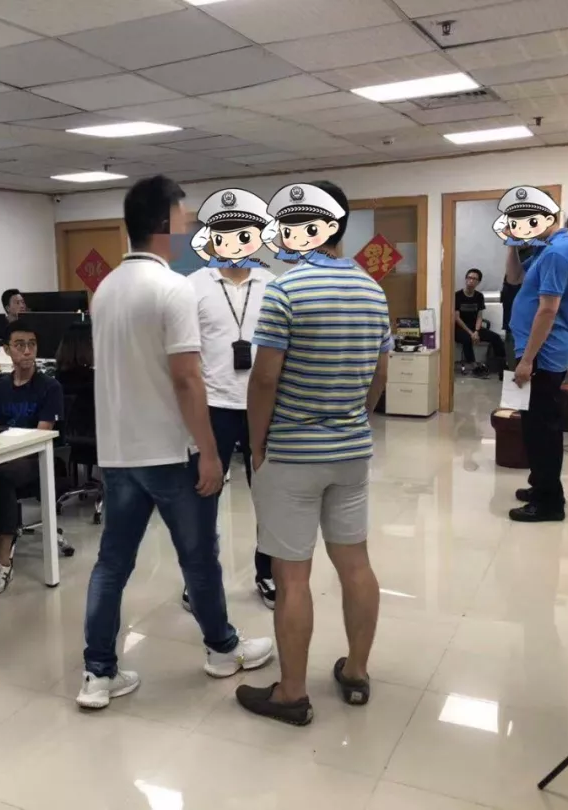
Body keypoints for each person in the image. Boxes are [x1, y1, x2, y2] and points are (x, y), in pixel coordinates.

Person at [78, 174, 273, 711]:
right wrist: (209, 452)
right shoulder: (174, 288)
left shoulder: (105, 289)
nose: (189, 229)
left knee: (111, 565)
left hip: (119, 453)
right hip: (170, 453)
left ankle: (98, 674)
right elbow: (187, 379)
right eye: (184, 219)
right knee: (199, 558)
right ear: (165, 223)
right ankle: (222, 650)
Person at [235, 180, 391, 727]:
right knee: (356, 565)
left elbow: (264, 380)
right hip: (350, 453)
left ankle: (292, 694)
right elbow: (379, 375)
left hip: (292, 455)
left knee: (293, 576)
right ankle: (356, 673)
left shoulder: (285, 290)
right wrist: (355, 417)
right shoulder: (372, 291)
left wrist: (257, 444)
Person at [184, 187, 276, 612]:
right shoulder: (192, 287)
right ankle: (199, 579)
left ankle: (268, 572)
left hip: (264, 409)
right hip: (212, 409)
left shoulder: (273, 286)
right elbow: (183, 357)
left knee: (270, 498)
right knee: (203, 498)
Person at [500, 186, 568, 523]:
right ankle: (540, 486)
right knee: (534, 426)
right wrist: (511, 243)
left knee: (543, 430)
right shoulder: (549, 248)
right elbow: (513, 277)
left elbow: (548, 310)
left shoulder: (556, 254)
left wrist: (527, 360)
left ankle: (550, 503)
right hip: (537, 352)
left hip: (542, 356)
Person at [0, 319, 64, 596]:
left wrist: (1, 458)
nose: (27, 351)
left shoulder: (49, 387)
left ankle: (2, 561)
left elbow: (41, 435)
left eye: (32, 344)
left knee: (2, 478)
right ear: (7, 350)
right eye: (20, 345)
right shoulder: (0, 387)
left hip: (37, 458)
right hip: (2, 455)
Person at [454, 268, 505, 378]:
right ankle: (474, 367)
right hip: (459, 329)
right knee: (467, 339)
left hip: (475, 328)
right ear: (465, 279)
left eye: (474, 279)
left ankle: (502, 366)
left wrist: (476, 331)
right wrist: (471, 333)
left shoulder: (479, 296)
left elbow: (479, 316)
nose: (471, 280)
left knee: (496, 338)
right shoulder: (457, 295)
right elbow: (457, 318)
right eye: (469, 278)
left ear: (478, 282)